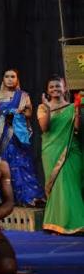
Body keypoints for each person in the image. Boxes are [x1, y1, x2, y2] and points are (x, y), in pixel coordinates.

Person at [37, 75, 84, 234]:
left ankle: (76, 223)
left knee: (71, 184)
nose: (55, 89)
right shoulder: (42, 107)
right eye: (52, 87)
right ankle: (56, 224)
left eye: (58, 86)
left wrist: (77, 111)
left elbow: (76, 129)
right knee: (58, 186)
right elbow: (45, 128)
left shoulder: (72, 107)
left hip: (72, 150)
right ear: (47, 90)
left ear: (65, 89)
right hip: (51, 151)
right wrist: (47, 109)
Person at [0, 68, 44, 206]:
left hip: (17, 136)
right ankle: (2, 199)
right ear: (3, 79)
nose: (10, 79)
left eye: (13, 76)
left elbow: (28, 115)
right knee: (1, 165)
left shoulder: (23, 96)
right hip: (0, 136)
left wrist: (18, 112)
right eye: (7, 76)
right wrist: (13, 111)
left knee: (21, 165)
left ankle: (28, 197)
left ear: (17, 79)